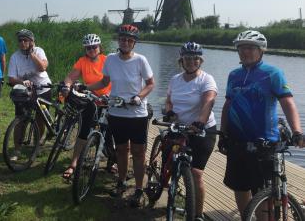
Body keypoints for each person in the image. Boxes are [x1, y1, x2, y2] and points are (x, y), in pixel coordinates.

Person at [220, 30, 304, 217]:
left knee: (263, 194)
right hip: (237, 142)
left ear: (261, 50)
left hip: (264, 143)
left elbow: (287, 102)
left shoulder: (273, 73)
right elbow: (228, 104)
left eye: (250, 48)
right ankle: (246, 217)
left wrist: (297, 131)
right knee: (240, 187)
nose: (244, 52)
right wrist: (223, 133)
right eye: (241, 48)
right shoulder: (234, 75)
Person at [88, 24, 154, 207]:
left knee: (139, 152)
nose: (126, 42)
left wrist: (139, 97)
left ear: (134, 43)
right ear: (119, 41)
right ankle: (122, 182)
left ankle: (139, 189)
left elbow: (150, 84)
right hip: (116, 111)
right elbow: (104, 81)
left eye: (130, 40)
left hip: (137, 113)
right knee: (121, 150)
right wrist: (85, 87)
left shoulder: (141, 60)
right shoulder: (110, 59)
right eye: (123, 39)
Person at [165, 42, 217, 221]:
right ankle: (165, 185)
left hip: (201, 130)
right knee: (169, 163)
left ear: (200, 60)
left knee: (196, 173)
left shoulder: (206, 79)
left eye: (195, 58)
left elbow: (208, 101)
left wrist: (200, 122)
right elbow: (169, 101)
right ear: (182, 60)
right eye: (187, 58)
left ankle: (197, 214)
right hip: (179, 127)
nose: (191, 61)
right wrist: (169, 111)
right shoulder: (175, 80)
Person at [61, 33, 111, 180]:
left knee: (110, 132)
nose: (91, 50)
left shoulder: (107, 60)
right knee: (83, 132)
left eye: (94, 47)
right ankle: (73, 163)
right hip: (90, 99)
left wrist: (109, 94)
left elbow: (114, 79)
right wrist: (67, 86)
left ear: (99, 47)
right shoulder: (82, 61)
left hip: (107, 99)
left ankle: (112, 160)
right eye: (88, 48)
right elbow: (71, 76)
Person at [7, 29, 51, 157]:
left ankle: (37, 145)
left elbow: (42, 67)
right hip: (25, 91)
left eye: (25, 40)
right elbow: (11, 78)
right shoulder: (15, 57)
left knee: (40, 119)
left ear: (32, 42)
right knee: (20, 119)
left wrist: (32, 54)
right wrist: (22, 81)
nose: (22, 42)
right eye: (20, 40)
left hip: (43, 88)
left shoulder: (39, 51)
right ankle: (17, 149)